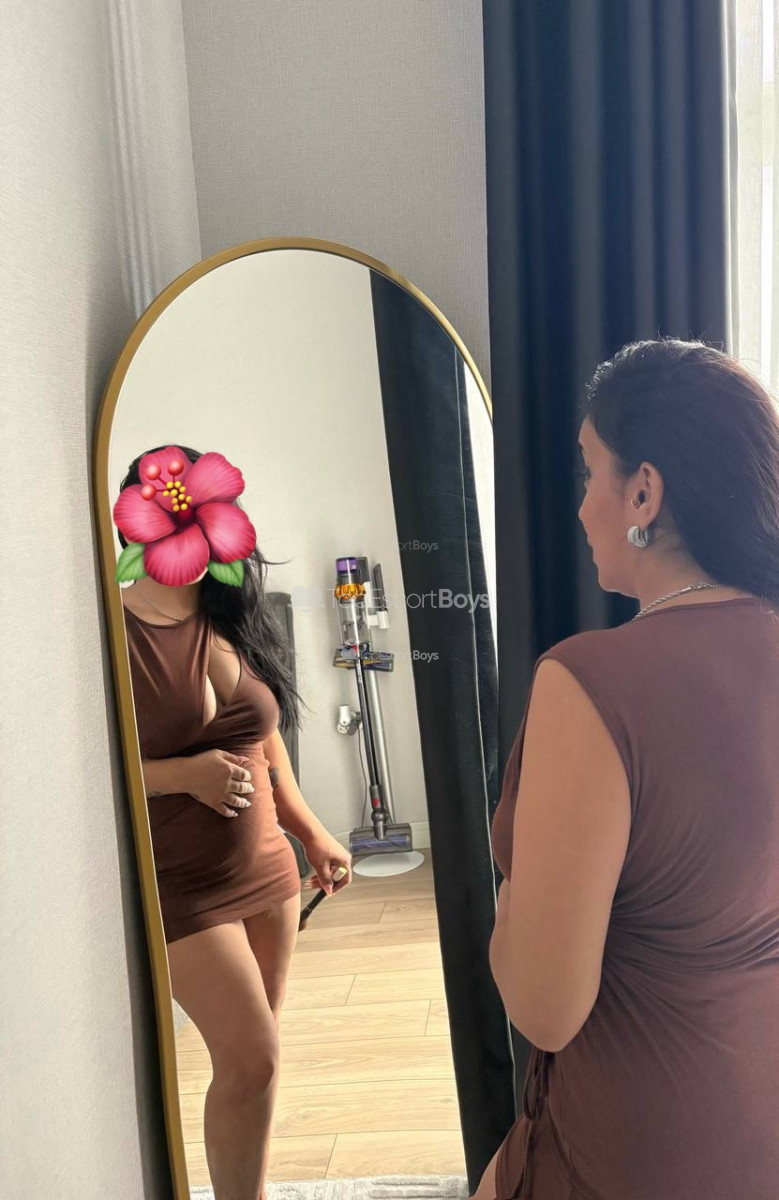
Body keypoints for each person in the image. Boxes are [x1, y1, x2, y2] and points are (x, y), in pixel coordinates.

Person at [475, 338, 779, 1199]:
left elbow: (542, 1008)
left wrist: (514, 898)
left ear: (642, 491)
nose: (580, 509)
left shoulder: (590, 682)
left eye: (587, 473)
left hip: (640, 1144)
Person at [115, 444, 353, 1200]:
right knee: (252, 1057)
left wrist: (309, 831)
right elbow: (85, 770)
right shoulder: (108, 628)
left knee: (257, 1062)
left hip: (266, 868)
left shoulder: (232, 612)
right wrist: (184, 775)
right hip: (181, 881)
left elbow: (264, 741)